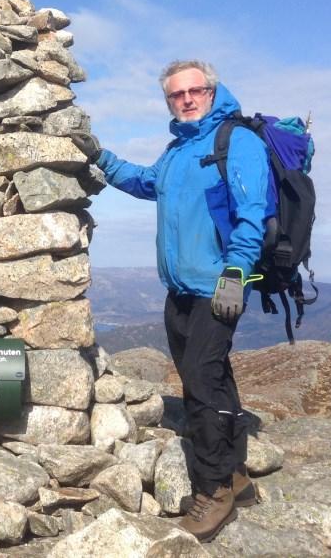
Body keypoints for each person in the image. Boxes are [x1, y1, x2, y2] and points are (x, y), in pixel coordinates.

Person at [78, 60, 268, 542]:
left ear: (212, 90)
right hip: (179, 291)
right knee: (208, 376)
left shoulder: (236, 141)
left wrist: (235, 276)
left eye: (194, 90)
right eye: (175, 94)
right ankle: (236, 475)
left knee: (202, 387)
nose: (185, 99)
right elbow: (147, 183)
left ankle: (214, 492)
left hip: (217, 289)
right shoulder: (177, 151)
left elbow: (252, 216)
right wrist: (101, 157)